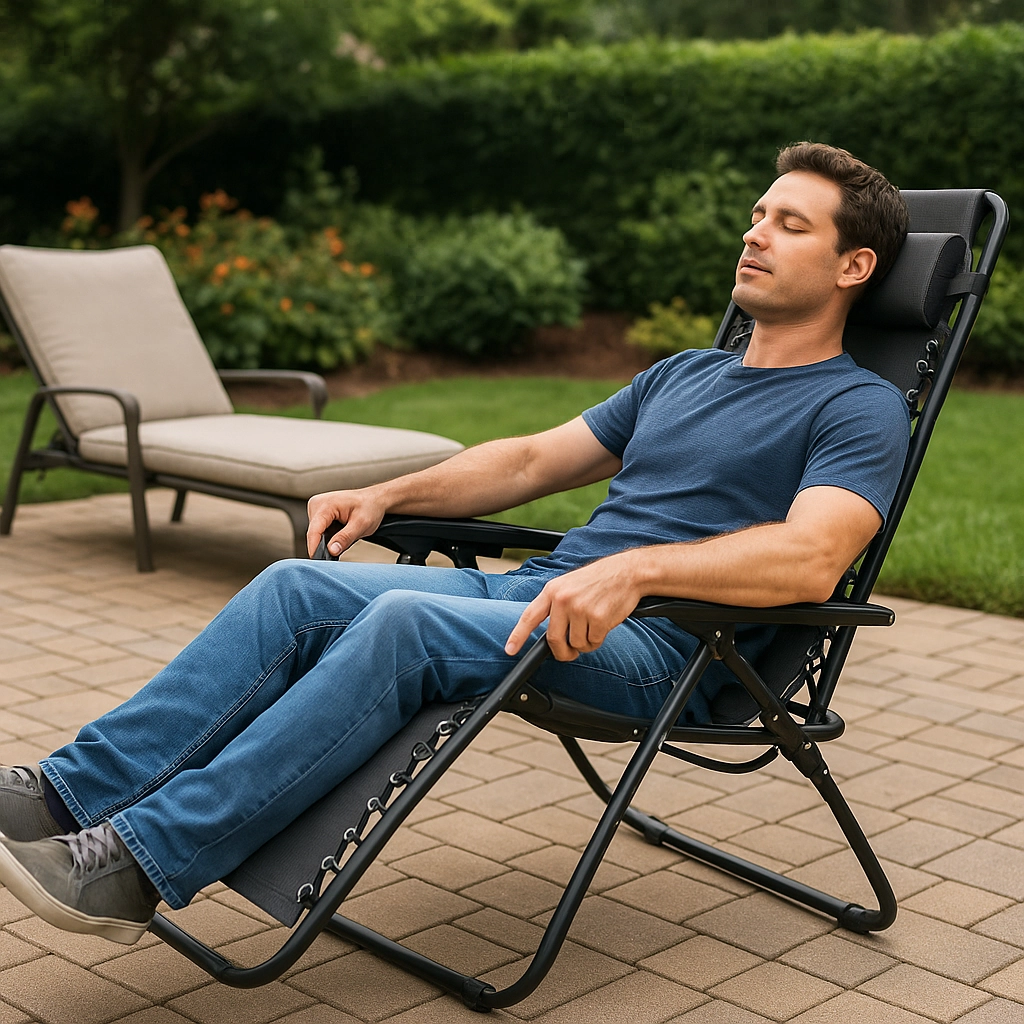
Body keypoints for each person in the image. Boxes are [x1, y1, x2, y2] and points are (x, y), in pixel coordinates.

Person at [0, 142, 911, 945]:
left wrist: (636, 571)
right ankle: (65, 794)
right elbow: (524, 461)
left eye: (790, 225)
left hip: (671, 644)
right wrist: (383, 493)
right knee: (291, 586)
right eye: (757, 214)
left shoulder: (856, 406)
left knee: (408, 622)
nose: (754, 233)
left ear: (852, 265)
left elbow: (811, 557)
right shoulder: (683, 373)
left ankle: (137, 865)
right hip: (550, 596)